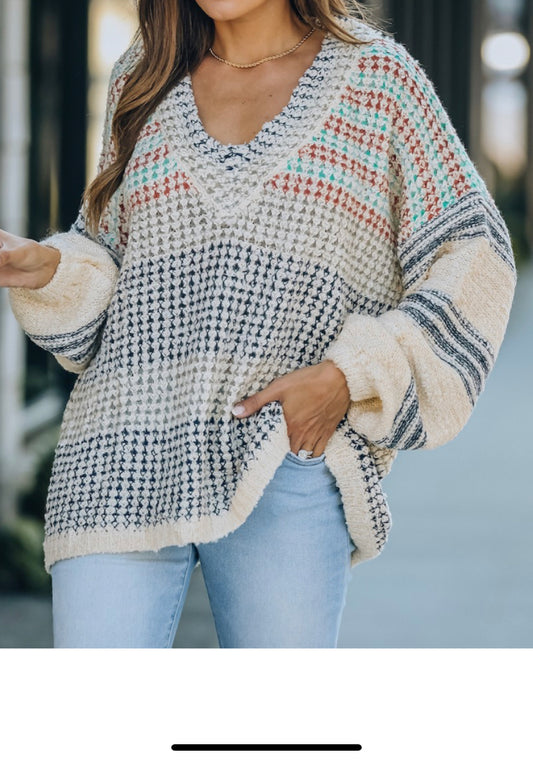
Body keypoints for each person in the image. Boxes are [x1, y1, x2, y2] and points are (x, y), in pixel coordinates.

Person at [0, 0, 516, 648]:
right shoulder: (144, 75)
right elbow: (110, 254)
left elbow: (473, 254)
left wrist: (345, 377)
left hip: (282, 462)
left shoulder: (377, 81)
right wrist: (51, 267)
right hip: (120, 453)